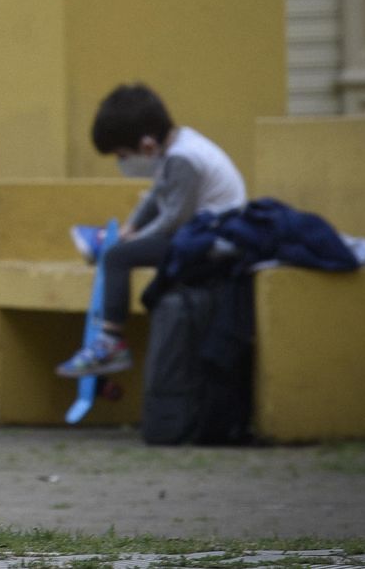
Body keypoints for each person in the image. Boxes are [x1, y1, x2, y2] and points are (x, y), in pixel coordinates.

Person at [57, 83, 247, 379]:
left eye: (121, 156)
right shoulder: (174, 147)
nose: (122, 163)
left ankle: (111, 343)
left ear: (146, 146)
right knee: (121, 247)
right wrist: (130, 227)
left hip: (212, 243)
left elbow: (174, 218)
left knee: (117, 258)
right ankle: (103, 245)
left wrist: (133, 240)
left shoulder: (184, 158)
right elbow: (156, 197)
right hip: (197, 234)